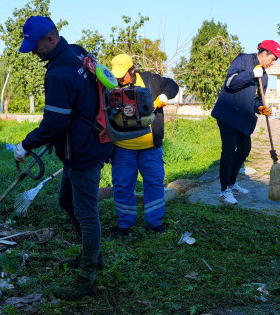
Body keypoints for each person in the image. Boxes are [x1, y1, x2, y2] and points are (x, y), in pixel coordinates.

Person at [10, 16, 114, 300]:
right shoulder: (78, 51)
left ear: (51, 39)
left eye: (36, 46)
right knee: (66, 201)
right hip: (86, 140)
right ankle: (89, 254)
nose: (33, 51)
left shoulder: (57, 73)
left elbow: (54, 122)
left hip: (83, 150)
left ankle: (88, 277)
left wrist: (25, 145)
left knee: (86, 213)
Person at [108, 54, 179, 236]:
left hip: (150, 147)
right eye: (116, 74)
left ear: (132, 69)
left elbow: (172, 85)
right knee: (123, 185)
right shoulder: (109, 84)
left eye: (123, 74)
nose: (119, 78)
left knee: (154, 183)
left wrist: (164, 96)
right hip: (123, 148)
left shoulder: (149, 80)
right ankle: (125, 225)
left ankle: (154, 223)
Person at [211, 40, 280, 205]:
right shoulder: (243, 60)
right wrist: (251, 73)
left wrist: (261, 108)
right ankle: (224, 191)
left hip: (244, 117)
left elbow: (257, 100)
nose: (273, 63)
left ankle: (231, 183)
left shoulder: (264, 76)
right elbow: (230, 83)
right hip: (228, 114)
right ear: (264, 53)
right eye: (273, 59)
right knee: (229, 150)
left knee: (244, 149)